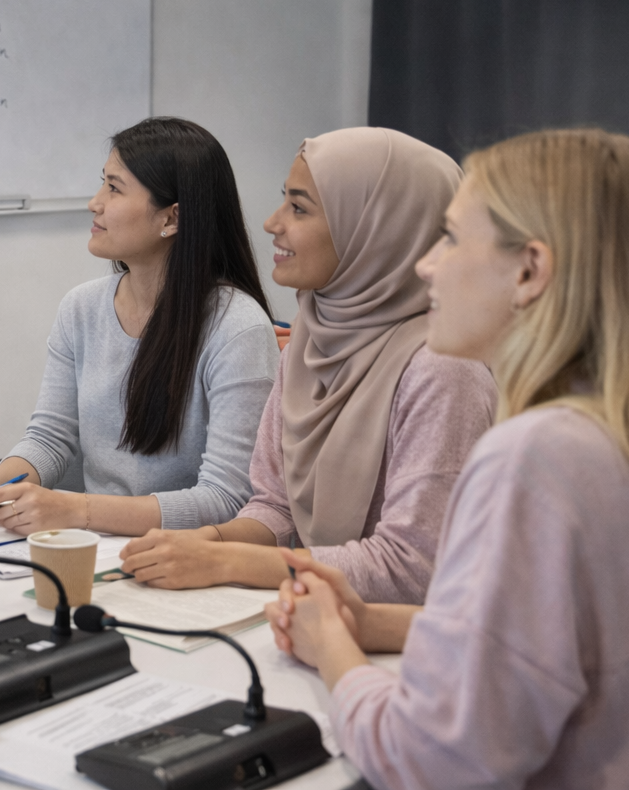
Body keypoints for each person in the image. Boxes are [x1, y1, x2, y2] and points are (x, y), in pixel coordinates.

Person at [268, 128, 629, 788]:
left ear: (529, 270)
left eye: (453, 239)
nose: (427, 265)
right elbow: (563, 649)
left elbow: (431, 758)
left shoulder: (539, 455)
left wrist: (332, 645)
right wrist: (379, 623)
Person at [120, 127, 496, 603]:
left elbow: (411, 568)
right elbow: (275, 507)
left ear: (373, 227)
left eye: (299, 209)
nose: (272, 223)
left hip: (403, 646)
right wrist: (201, 541)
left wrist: (223, 560)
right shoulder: (308, 341)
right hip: (319, 616)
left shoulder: (442, 371)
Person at [0, 118, 281, 536]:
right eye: (102, 183)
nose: (95, 202)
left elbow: (226, 501)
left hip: (182, 560)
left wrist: (77, 510)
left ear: (172, 218)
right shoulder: (81, 308)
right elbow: (50, 439)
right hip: (90, 546)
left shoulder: (238, 328)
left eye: (115, 188)